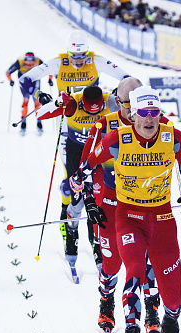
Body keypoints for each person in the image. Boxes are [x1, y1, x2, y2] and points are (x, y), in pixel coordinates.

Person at [70, 86, 181, 333]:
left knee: (172, 293)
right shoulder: (111, 134)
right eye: (142, 112)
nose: (149, 119)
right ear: (129, 111)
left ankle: (166, 320)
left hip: (161, 217)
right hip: (122, 211)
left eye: (154, 113)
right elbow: (83, 167)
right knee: (125, 268)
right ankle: (128, 329)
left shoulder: (171, 135)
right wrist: (89, 201)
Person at [78, 77, 172, 333]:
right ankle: (106, 303)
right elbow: (84, 167)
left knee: (148, 261)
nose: (134, 112)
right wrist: (91, 202)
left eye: (138, 104)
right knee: (112, 263)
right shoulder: (105, 125)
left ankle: (151, 313)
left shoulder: (159, 125)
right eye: (128, 105)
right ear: (117, 101)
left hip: (146, 206)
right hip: (111, 203)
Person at [18, 30, 130, 239]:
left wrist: (118, 92)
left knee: (99, 175)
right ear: (68, 52)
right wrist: (40, 95)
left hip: (96, 123)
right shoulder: (58, 63)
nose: (78, 61)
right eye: (74, 56)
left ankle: (95, 224)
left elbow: (128, 78)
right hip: (70, 122)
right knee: (71, 176)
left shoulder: (97, 60)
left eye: (82, 56)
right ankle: (67, 217)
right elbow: (25, 80)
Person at [36, 85, 116, 269]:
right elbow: (41, 115)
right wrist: (55, 103)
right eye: (88, 111)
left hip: (100, 155)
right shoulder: (73, 103)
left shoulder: (110, 101)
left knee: (98, 199)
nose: (91, 115)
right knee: (77, 199)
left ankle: (97, 242)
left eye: (96, 112)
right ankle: (71, 235)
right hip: (77, 155)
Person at [6, 52, 52, 134]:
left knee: (37, 101)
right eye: (27, 63)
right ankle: (23, 123)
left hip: (35, 82)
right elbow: (8, 72)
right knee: (25, 100)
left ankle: (39, 122)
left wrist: (50, 79)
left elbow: (49, 69)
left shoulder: (38, 61)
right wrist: (11, 81)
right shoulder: (19, 61)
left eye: (32, 63)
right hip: (23, 83)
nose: (30, 65)